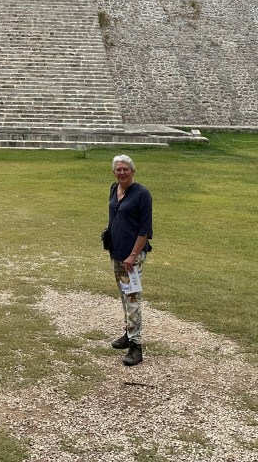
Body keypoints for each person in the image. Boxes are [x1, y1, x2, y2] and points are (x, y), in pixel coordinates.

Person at [105, 154, 153, 367]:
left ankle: (137, 346)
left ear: (133, 171)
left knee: (132, 298)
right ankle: (129, 333)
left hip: (131, 257)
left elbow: (145, 230)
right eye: (118, 169)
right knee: (124, 296)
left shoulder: (142, 194)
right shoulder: (114, 188)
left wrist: (133, 256)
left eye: (126, 169)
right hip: (117, 252)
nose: (122, 172)